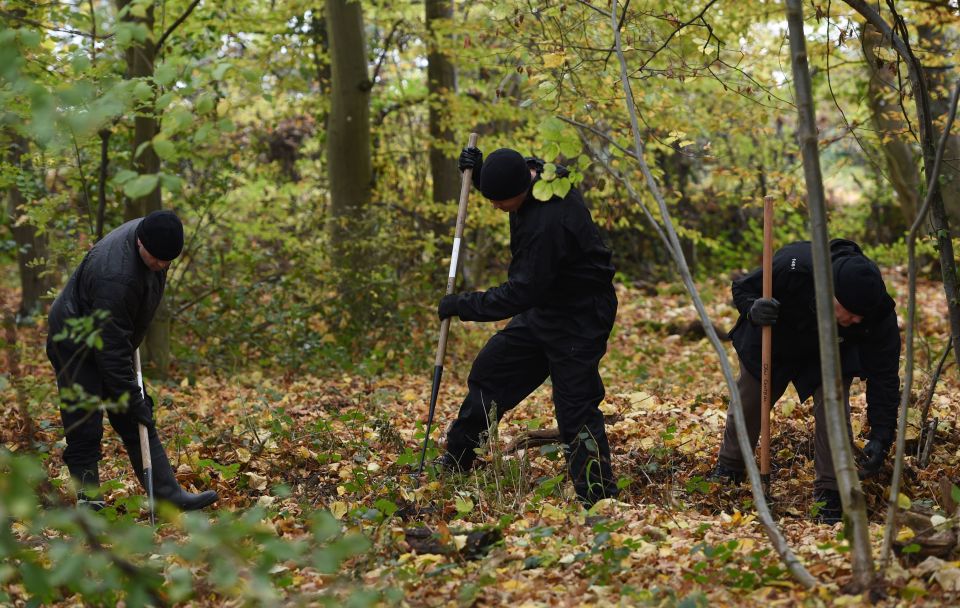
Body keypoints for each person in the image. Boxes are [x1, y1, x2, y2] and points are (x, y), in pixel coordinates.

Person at [435, 146, 619, 506]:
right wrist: (480, 169)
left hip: (579, 316)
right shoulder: (540, 178)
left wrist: (463, 305)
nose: (496, 207)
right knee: (491, 372)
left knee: (575, 407)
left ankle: (597, 497)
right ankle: (457, 461)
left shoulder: (549, 221)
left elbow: (521, 292)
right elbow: (511, 174)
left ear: (518, 191)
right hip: (545, 308)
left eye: (499, 201)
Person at [709, 238, 901, 523]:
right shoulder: (792, 266)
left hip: (830, 349)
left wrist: (882, 435)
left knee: (834, 404)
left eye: (863, 315)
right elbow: (743, 287)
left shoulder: (876, 309)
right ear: (831, 293)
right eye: (851, 312)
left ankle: (831, 492)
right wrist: (753, 309)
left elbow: (884, 374)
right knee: (749, 396)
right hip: (774, 338)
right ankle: (731, 468)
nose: (858, 320)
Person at [47, 210, 218, 511]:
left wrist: (131, 398)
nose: (163, 266)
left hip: (110, 334)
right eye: (157, 260)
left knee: (135, 416)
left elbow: (120, 334)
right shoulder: (116, 277)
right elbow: (111, 349)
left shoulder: (156, 241)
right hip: (74, 341)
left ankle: (167, 496)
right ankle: (90, 501)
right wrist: (130, 395)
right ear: (141, 243)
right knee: (85, 421)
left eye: (168, 261)